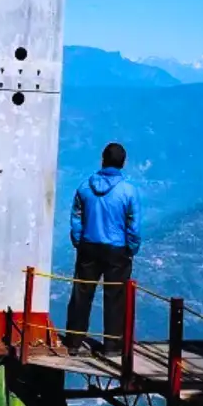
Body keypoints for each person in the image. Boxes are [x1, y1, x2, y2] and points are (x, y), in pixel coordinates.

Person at [64, 142, 142, 354]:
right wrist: (131, 248)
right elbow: (133, 224)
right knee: (115, 296)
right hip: (117, 250)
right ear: (123, 163)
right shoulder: (128, 191)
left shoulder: (84, 187)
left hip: (88, 246)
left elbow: (76, 217)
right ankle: (112, 346)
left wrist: (79, 240)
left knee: (82, 293)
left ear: (103, 159)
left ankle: (73, 342)